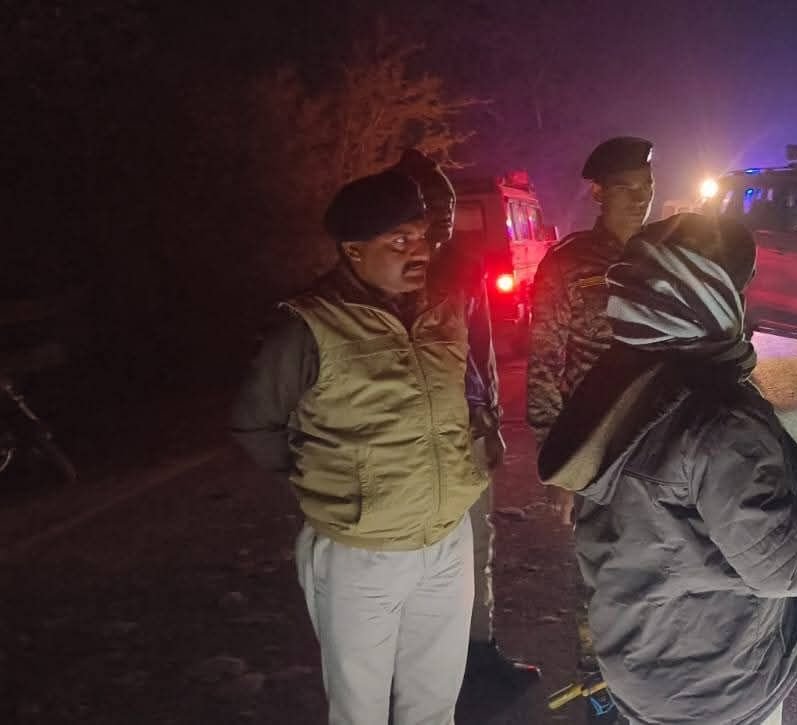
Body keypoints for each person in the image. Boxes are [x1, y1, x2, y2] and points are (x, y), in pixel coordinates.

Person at [537, 214, 797, 725]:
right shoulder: (718, 420)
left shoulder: (621, 382)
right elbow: (783, 565)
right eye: (739, 289)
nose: (748, 305)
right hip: (714, 683)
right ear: (705, 297)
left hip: (645, 660)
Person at [231, 161, 487, 724]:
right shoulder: (308, 326)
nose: (419, 251)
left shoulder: (444, 309)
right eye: (399, 240)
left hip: (447, 539)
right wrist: (332, 482)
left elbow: (466, 398)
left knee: (435, 704)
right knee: (359, 710)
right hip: (361, 554)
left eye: (422, 236)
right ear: (353, 250)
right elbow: (255, 426)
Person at [390, 150, 538, 690]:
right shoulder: (376, 275)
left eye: (448, 208)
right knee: (409, 555)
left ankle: (477, 652)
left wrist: (491, 417)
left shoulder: (463, 266)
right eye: (432, 208)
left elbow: (482, 353)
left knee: (475, 543)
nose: (444, 219)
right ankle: (417, 665)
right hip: (403, 442)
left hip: (464, 430)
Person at [522, 137, 654, 719]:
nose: (639, 198)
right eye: (626, 188)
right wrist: (556, 464)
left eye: (646, 186)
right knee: (598, 581)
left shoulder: (667, 254)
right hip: (594, 450)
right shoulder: (567, 264)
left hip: (660, 446)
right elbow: (545, 361)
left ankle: (653, 693)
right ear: (598, 193)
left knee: (663, 572)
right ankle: (602, 700)